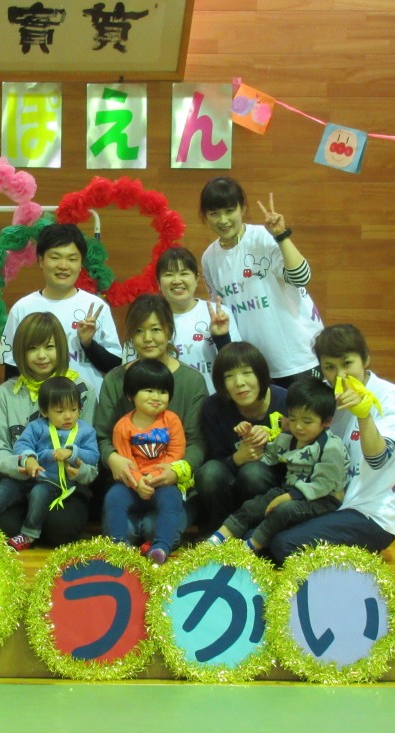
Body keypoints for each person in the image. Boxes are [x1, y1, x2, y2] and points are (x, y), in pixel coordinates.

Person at [269, 324, 395, 562]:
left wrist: (364, 414)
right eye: (330, 367)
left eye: (347, 364)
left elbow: (377, 460)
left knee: (284, 545)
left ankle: (355, 566)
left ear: (365, 359)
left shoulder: (391, 396)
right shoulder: (325, 399)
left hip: (370, 513)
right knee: (260, 535)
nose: (340, 375)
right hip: (327, 502)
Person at [94, 294, 208, 529]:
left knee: (153, 530)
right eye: (138, 331)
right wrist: (112, 458)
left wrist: (176, 471)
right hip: (128, 483)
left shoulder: (192, 381)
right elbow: (102, 436)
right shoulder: (115, 379)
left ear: (168, 331)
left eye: (155, 329)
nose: (147, 338)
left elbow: (198, 442)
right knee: (125, 532)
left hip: (173, 484)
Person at [0, 312, 98, 547]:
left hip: (65, 486)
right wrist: (23, 464)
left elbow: (91, 448)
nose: (42, 355)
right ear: (21, 353)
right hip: (19, 484)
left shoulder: (82, 389)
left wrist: (79, 469)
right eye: (33, 348)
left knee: (59, 530)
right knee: (6, 528)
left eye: (50, 346)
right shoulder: (6, 392)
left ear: (62, 349)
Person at [199, 177, 323, 386]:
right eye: (214, 214)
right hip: (255, 369)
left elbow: (301, 278)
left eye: (229, 211)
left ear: (242, 208)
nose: (223, 220)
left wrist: (281, 236)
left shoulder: (263, 238)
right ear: (205, 216)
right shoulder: (209, 257)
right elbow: (224, 312)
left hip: (299, 360)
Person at [207, 376, 349, 552]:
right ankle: (216, 539)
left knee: (283, 510)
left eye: (307, 421)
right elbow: (269, 457)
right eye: (293, 418)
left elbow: (325, 484)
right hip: (290, 490)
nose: (298, 427)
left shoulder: (331, 446)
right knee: (253, 506)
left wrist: (289, 497)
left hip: (322, 499)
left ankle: (250, 547)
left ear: (327, 422)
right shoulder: (288, 438)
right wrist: (249, 438)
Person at [0, 223, 122, 396]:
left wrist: (88, 344)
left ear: (80, 264)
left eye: (72, 259)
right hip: (36, 410)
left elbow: (114, 366)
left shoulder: (96, 307)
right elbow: (12, 368)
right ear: (41, 260)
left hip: (87, 407)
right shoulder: (22, 308)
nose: (63, 265)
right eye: (55, 257)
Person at [195, 342, 288, 532]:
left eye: (247, 373)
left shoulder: (287, 401)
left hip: (272, 489)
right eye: (229, 376)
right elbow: (213, 458)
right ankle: (218, 537)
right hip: (229, 485)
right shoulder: (213, 407)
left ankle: (258, 536)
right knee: (208, 473)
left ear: (261, 375)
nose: (239, 383)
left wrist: (271, 443)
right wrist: (238, 458)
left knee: (253, 473)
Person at [103, 359, 186, 564]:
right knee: (114, 497)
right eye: (149, 390)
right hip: (132, 483)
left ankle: (161, 547)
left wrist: (155, 478)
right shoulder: (122, 426)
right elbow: (125, 460)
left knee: (172, 501)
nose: (156, 397)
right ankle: (119, 546)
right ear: (131, 395)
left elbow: (176, 451)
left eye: (163, 391)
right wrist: (138, 482)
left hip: (162, 482)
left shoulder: (172, 420)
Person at [2, 376, 99, 551]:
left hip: (69, 488)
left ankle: (28, 534)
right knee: (18, 498)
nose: (68, 416)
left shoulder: (86, 431)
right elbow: (21, 444)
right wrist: (29, 458)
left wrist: (72, 453)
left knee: (47, 504)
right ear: (45, 411)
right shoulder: (37, 426)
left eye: (74, 409)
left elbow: (93, 457)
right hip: (38, 480)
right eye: (60, 411)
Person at [155, 245, 240, 392]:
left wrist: (222, 337)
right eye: (168, 274)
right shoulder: (151, 320)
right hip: (167, 405)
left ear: (196, 278)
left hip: (214, 401)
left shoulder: (219, 314)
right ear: (158, 282)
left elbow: (236, 363)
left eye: (184, 273)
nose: (176, 280)